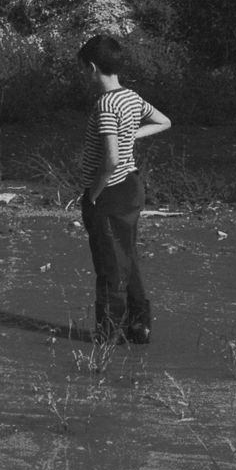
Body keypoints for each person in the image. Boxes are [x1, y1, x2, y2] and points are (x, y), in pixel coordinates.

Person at [76, 33, 171, 346]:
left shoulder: (105, 104)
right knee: (126, 258)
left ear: (91, 68)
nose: (83, 76)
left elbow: (112, 160)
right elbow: (163, 121)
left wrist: (93, 193)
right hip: (132, 188)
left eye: (83, 70)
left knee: (109, 266)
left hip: (110, 192)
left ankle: (107, 336)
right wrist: (132, 134)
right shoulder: (130, 97)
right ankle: (139, 327)